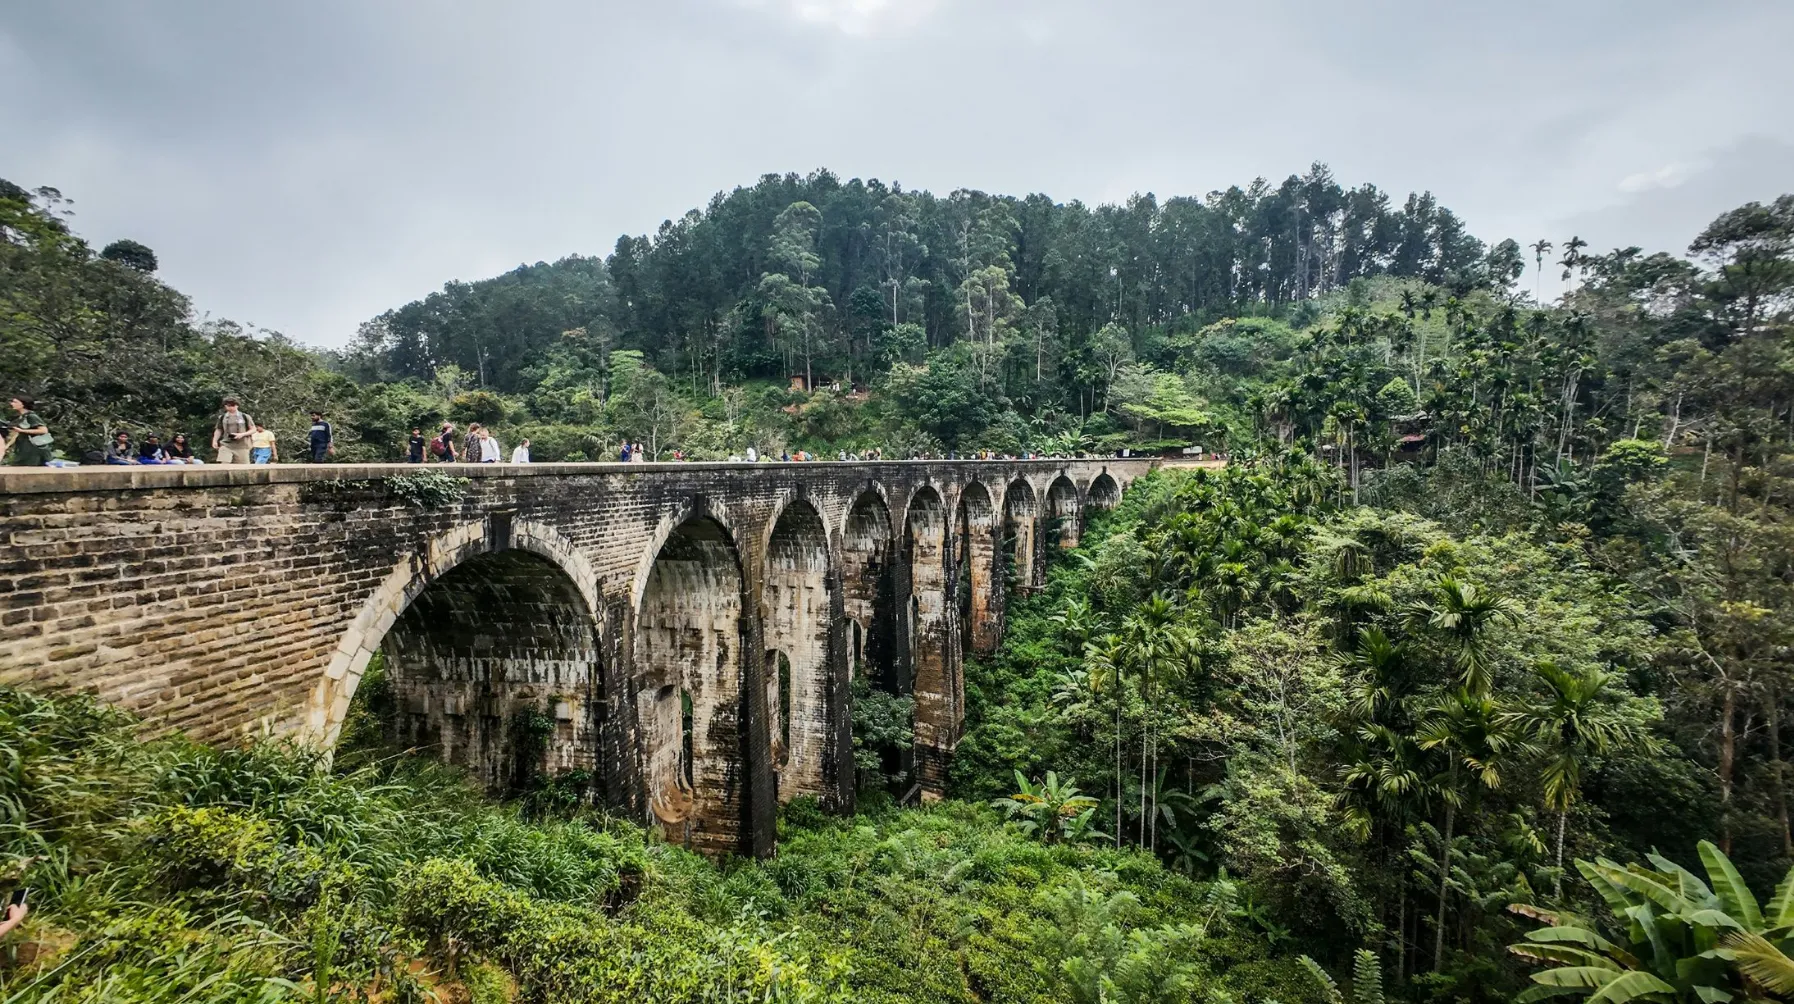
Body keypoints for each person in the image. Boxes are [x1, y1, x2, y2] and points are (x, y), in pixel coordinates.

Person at [4, 396, 53, 467]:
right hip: (23, 448)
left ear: (23, 404)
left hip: (33, 448)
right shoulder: (22, 417)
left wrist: (22, 430)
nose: (12, 404)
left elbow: (43, 430)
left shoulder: (31, 416)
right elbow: (17, 433)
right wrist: (7, 446)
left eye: (15, 402)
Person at [212, 397, 254, 464]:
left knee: (243, 468)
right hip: (226, 444)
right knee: (224, 464)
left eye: (233, 405)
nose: (231, 408)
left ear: (237, 405)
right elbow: (218, 429)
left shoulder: (245, 416)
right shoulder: (222, 417)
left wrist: (242, 434)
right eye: (228, 406)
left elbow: (253, 429)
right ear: (225, 406)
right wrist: (214, 441)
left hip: (242, 445)